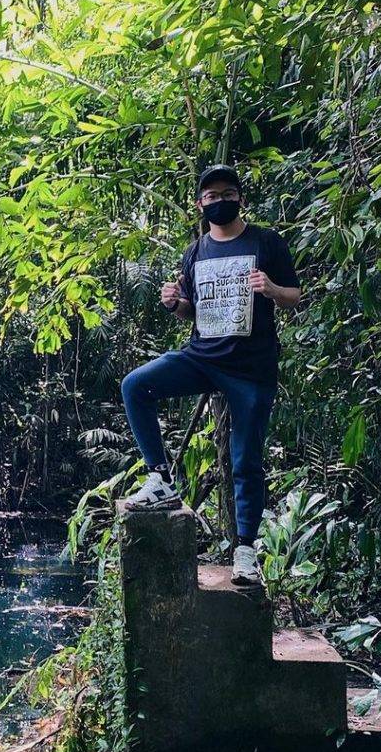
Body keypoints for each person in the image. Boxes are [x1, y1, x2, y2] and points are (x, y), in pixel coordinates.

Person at [120, 164, 301, 586]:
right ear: (200, 204)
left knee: (245, 460)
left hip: (251, 370)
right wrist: (172, 303)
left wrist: (271, 290)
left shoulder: (265, 242)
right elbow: (191, 311)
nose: (219, 202)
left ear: (239, 198)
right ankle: (161, 479)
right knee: (135, 384)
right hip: (202, 356)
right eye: (210, 197)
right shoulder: (196, 251)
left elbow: (294, 296)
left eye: (226, 194)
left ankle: (244, 551)